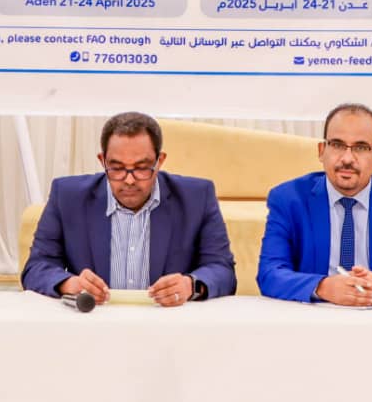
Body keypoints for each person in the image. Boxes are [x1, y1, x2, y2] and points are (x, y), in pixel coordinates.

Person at [21, 111, 236, 306]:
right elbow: (36, 267)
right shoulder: (67, 196)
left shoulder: (196, 197)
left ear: (160, 161)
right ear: (102, 161)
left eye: (142, 168)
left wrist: (190, 285)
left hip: (168, 322)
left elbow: (222, 270)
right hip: (94, 321)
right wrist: (70, 284)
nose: (129, 180)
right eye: (117, 168)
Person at [257, 103, 372, 305]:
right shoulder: (288, 199)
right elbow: (270, 273)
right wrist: (322, 287)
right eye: (337, 145)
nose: (347, 158)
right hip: (313, 316)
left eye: (361, 148)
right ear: (321, 151)